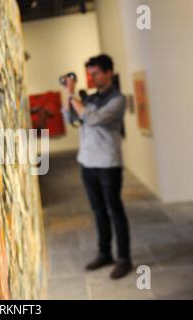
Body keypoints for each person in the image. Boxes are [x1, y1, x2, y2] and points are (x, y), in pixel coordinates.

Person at [62, 54, 133, 279]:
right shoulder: (89, 99)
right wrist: (69, 95)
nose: (91, 78)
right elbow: (69, 117)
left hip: (108, 164)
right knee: (98, 211)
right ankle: (105, 253)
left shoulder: (118, 100)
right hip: (87, 163)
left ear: (109, 73)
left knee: (115, 210)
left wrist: (73, 96)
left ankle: (124, 258)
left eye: (95, 74)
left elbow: (93, 119)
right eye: (89, 74)